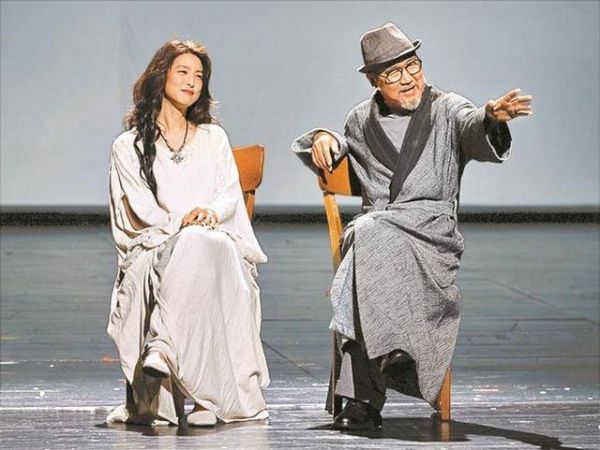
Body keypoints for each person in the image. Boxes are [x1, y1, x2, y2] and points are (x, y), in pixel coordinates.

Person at [292, 23, 533, 431]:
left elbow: (471, 125)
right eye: (393, 73)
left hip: (430, 237)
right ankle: (389, 352)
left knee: (364, 240)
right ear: (374, 80)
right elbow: (329, 147)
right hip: (378, 232)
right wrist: (322, 137)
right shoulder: (359, 120)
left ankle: (363, 396)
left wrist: (490, 118)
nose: (407, 79)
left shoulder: (447, 108)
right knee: (368, 237)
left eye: (412, 66)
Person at [105, 40, 269, 427]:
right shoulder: (129, 145)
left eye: (199, 76)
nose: (192, 82)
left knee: (205, 244)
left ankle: (164, 348)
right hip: (158, 244)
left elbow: (228, 196)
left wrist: (208, 214)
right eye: (183, 72)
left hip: (216, 241)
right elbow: (142, 209)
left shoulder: (213, 137)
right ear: (160, 76)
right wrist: (184, 225)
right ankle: (206, 399)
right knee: (193, 244)